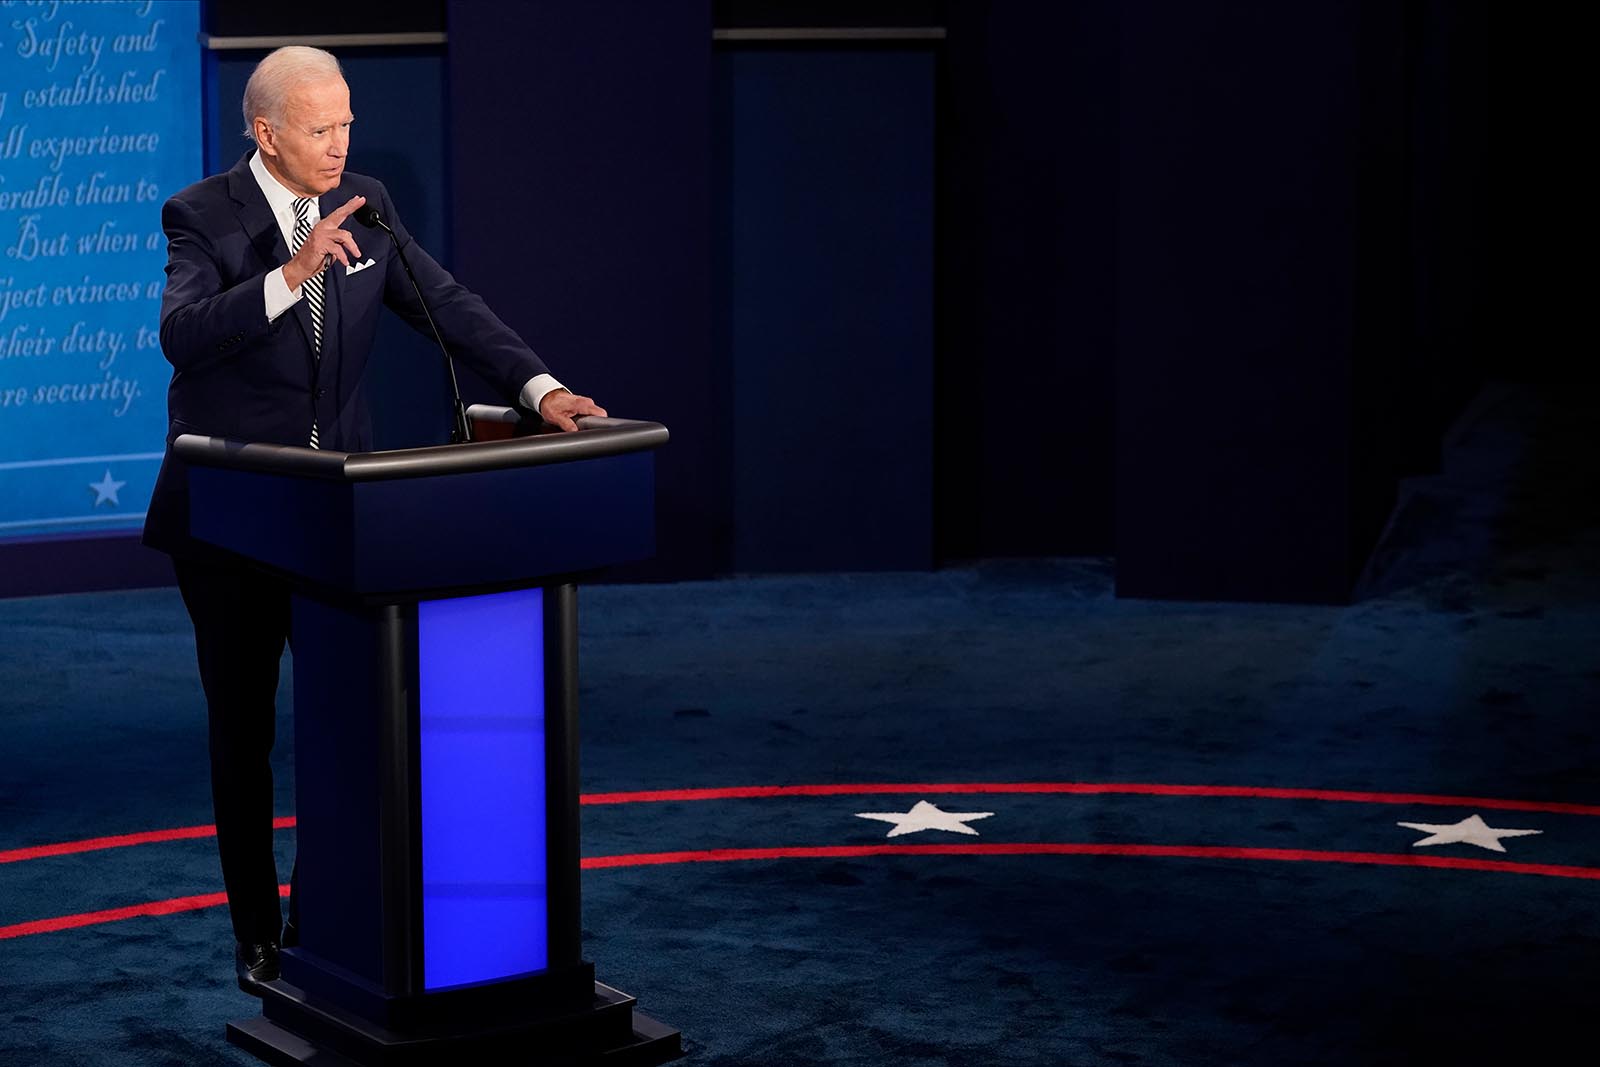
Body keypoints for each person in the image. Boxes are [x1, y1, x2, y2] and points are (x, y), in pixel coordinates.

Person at [142, 46, 605, 994]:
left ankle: (320, 915)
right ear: (267, 134)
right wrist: (290, 272)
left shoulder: (368, 200)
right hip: (228, 522)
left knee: (349, 718)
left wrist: (540, 385)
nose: (340, 143)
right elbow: (181, 337)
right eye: (322, 129)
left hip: (339, 518)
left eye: (347, 122)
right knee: (244, 730)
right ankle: (256, 932)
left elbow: (446, 304)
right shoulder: (202, 214)